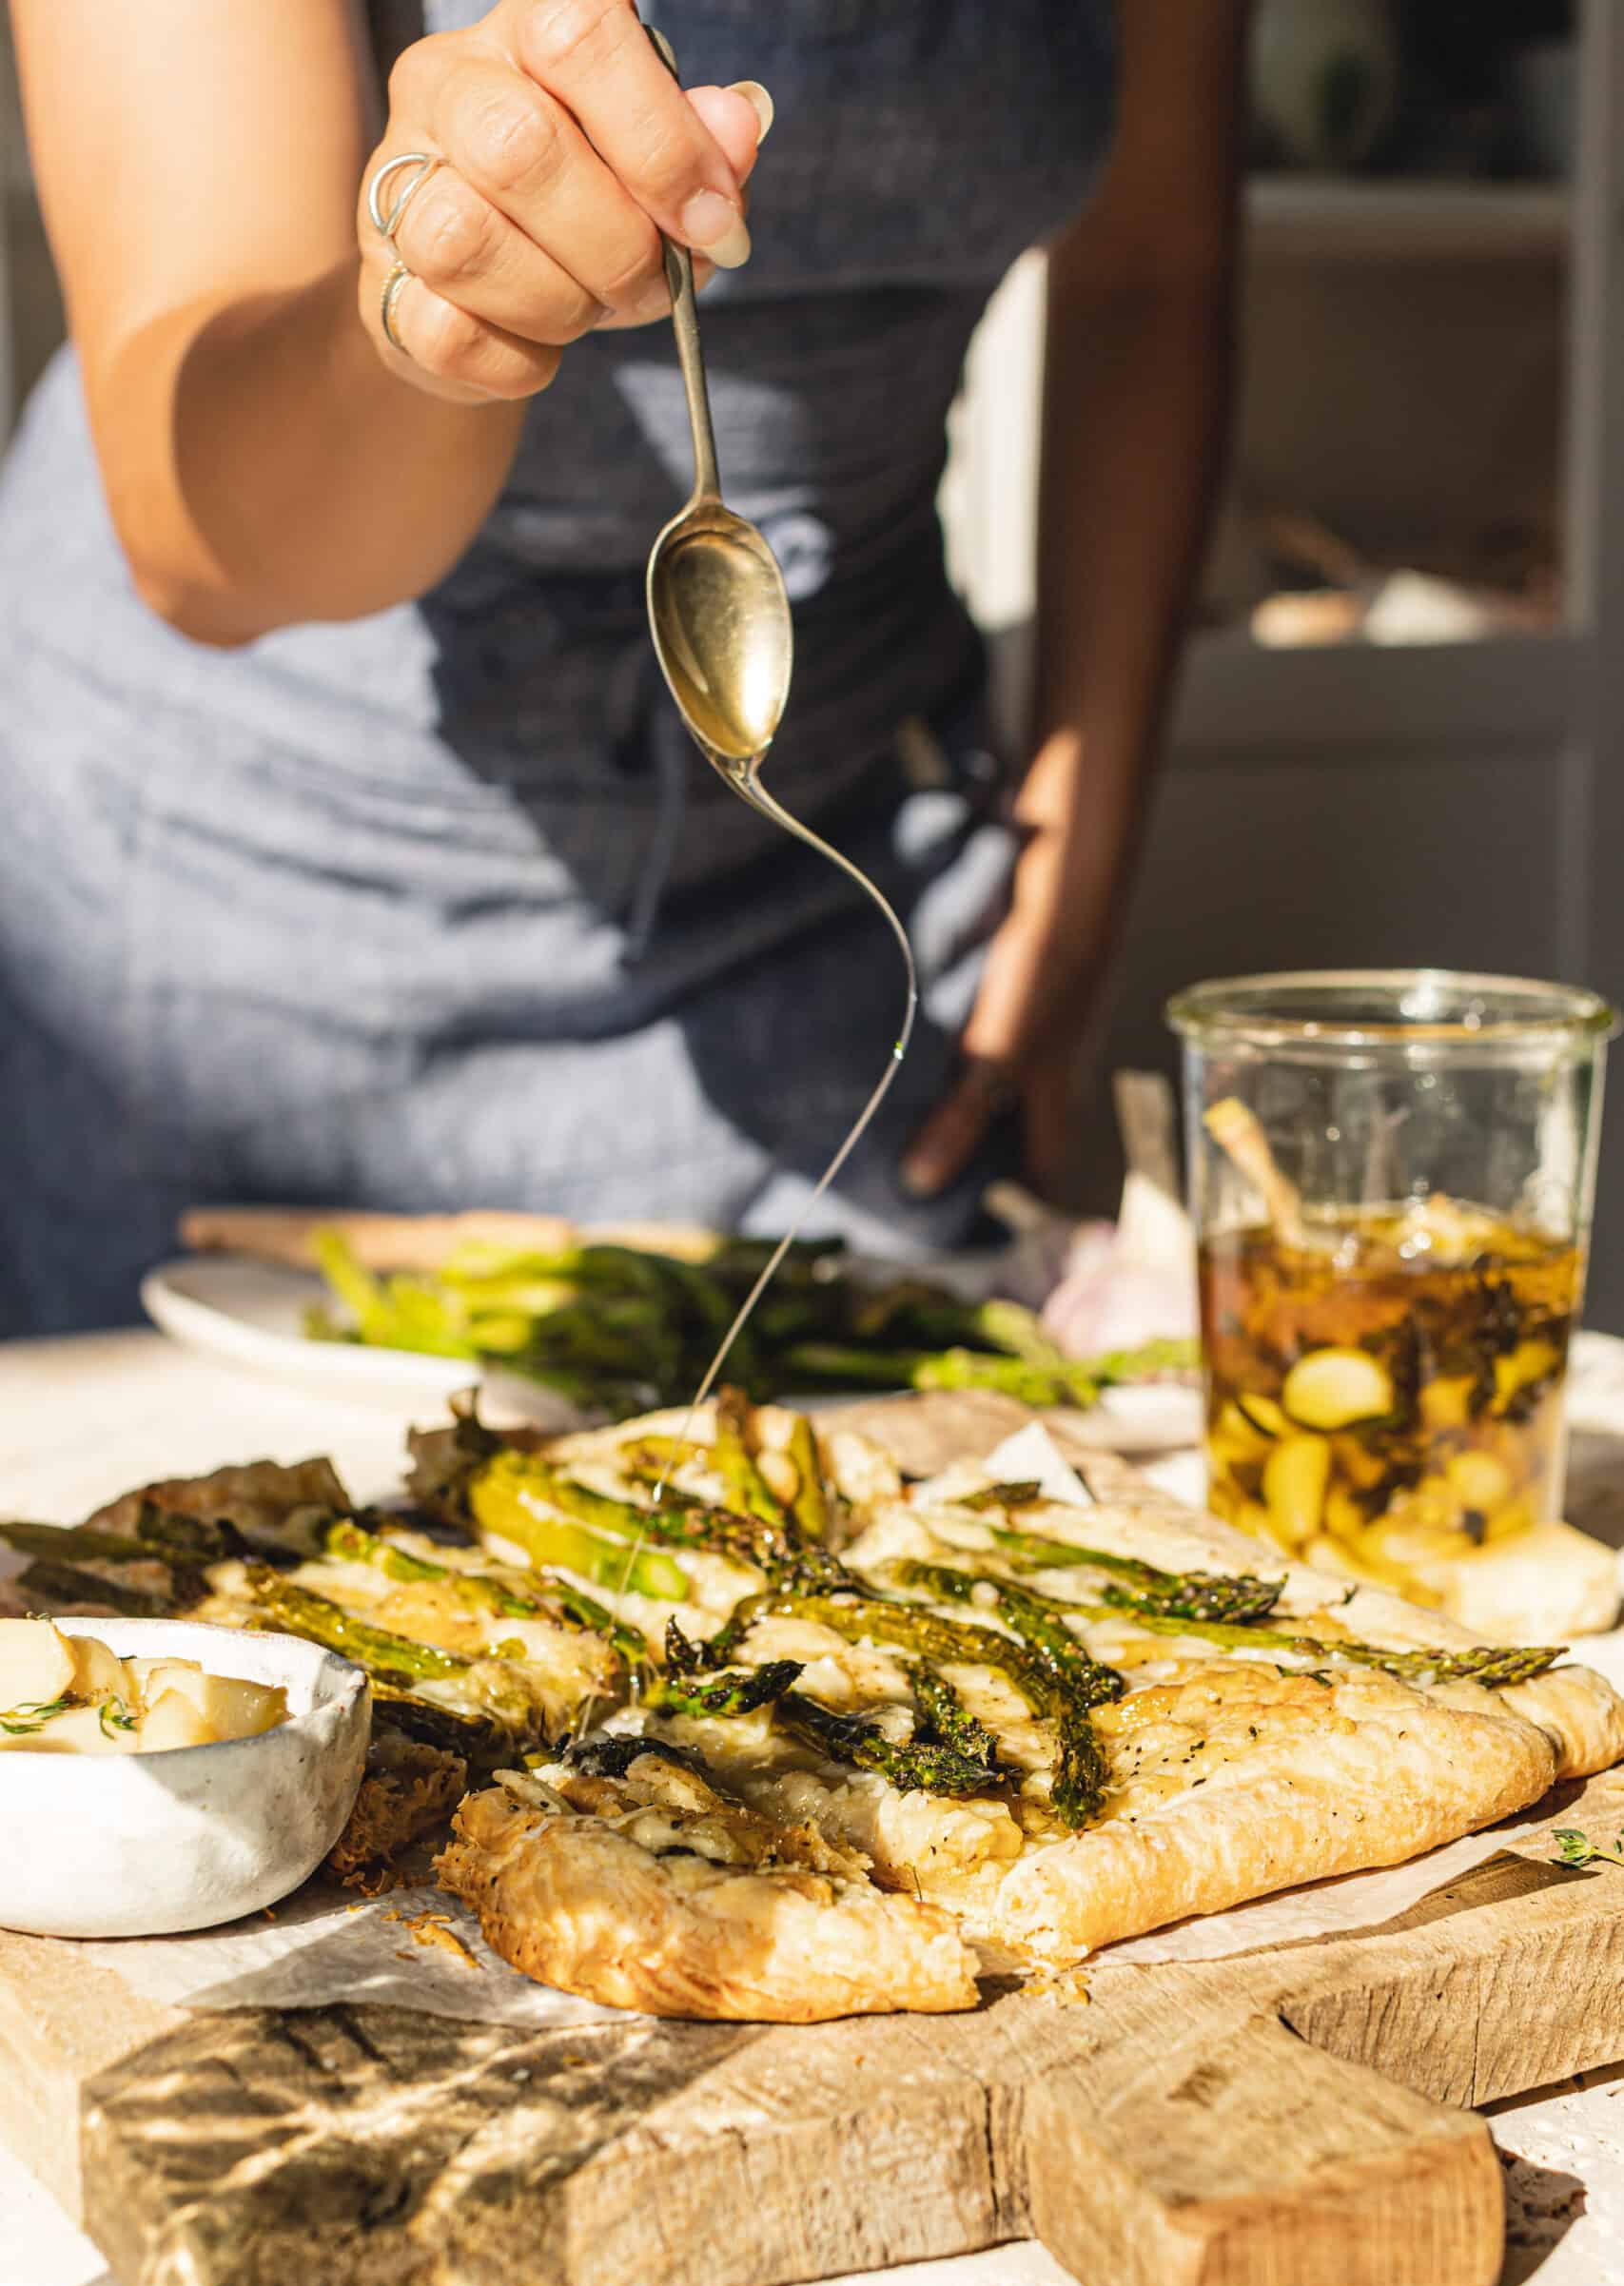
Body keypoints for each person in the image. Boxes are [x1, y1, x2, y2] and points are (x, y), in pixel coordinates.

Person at [0, 0, 1245, 1337]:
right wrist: (437, 310)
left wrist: (1082, 835)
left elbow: (1152, 266)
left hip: (847, 894)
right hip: (260, 927)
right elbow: (213, 557)